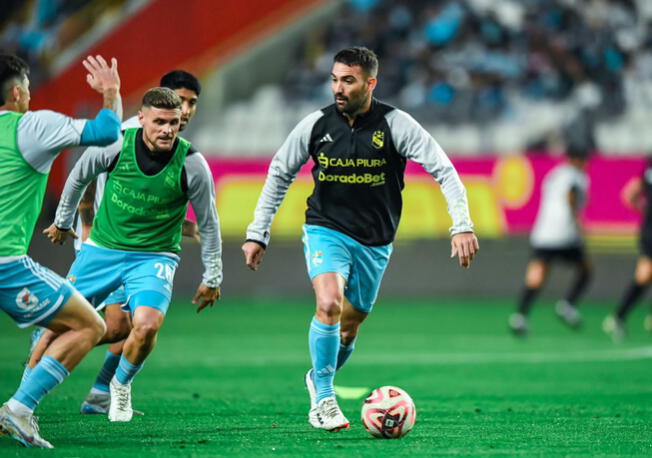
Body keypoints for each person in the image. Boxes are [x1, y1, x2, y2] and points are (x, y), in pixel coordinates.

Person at [242, 47, 479, 432]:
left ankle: (318, 375)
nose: (338, 87)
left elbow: (444, 171)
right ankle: (323, 397)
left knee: (350, 327)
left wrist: (462, 224)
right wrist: (258, 232)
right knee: (329, 302)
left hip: (374, 241)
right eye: (334, 79)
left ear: (370, 83)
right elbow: (279, 173)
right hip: (325, 227)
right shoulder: (315, 125)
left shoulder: (396, 125)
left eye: (347, 80)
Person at [40, 87, 222, 423]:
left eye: (173, 122)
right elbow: (79, 177)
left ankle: (119, 387)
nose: (167, 129)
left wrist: (213, 276)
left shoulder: (193, 165)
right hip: (103, 250)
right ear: (141, 120)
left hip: (155, 256)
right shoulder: (115, 145)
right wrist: (63, 222)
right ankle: (24, 399)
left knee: (146, 325)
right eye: (159, 122)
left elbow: (209, 223)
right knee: (55, 324)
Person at [0, 54, 121, 448]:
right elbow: (106, 132)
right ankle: (19, 408)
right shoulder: (31, 125)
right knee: (91, 325)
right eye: (29, 88)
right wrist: (110, 92)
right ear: (17, 92)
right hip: (6, 264)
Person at [73, 70, 202, 415]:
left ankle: (100, 392)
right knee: (119, 326)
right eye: (181, 99)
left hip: (135, 245)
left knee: (128, 325)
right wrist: (86, 229)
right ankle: (55, 339)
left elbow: (153, 206)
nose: (186, 109)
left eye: (191, 103)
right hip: (104, 240)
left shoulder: (170, 138)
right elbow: (86, 178)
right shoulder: (128, 132)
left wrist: (190, 229)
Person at [508, 150, 592, 336]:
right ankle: (568, 305)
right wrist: (577, 221)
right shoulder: (576, 175)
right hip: (564, 233)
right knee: (586, 269)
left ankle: (519, 316)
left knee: (536, 276)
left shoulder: (555, 174)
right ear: (576, 159)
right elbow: (571, 195)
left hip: (544, 232)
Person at [603, 156, 652, 341]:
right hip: (650, 231)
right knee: (645, 273)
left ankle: (619, 317)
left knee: (645, 274)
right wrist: (644, 210)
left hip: (648, 229)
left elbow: (629, 194)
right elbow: (629, 194)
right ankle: (618, 317)